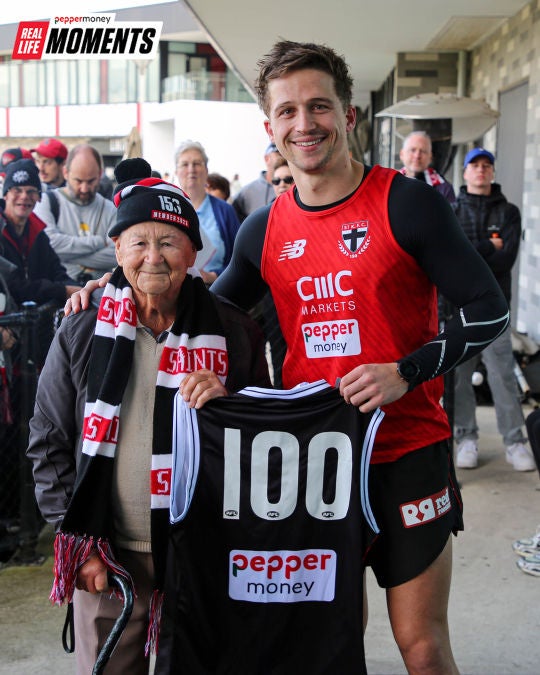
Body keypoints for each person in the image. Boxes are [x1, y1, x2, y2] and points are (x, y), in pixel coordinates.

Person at [69, 41, 510, 673]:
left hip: (405, 452)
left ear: (349, 115)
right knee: (327, 642)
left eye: (319, 106)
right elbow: (196, 309)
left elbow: (488, 308)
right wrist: (110, 287)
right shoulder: (263, 229)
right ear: (270, 127)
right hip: (311, 463)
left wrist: (406, 371)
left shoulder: (405, 203)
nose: (305, 124)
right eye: (288, 111)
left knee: (423, 646)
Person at [27, 158, 271, 674]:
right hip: (106, 558)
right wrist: (79, 542)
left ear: (193, 251)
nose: (153, 257)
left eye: (169, 242)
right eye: (139, 242)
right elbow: (47, 441)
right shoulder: (82, 330)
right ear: (116, 251)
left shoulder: (236, 333)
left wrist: (229, 402)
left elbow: (268, 447)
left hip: (203, 555)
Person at [452, 148, 534, 471]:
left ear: (493, 172)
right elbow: (452, 260)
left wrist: (471, 252)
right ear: (465, 173)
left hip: (495, 308)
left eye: (487, 165)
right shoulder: (452, 211)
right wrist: (488, 246)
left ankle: (515, 442)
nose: (481, 171)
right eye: (475, 165)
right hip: (459, 308)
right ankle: (466, 437)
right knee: (458, 379)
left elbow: (506, 260)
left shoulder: (509, 212)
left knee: (502, 376)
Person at [0, 159, 81, 307]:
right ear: (5, 195)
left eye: (31, 191)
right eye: (17, 190)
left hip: (36, 323)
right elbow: (12, 286)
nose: (24, 196)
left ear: (38, 197)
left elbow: (57, 272)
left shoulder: (38, 233)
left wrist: (81, 291)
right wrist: (62, 291)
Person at [33, 144, 117, 283]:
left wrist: (64, 256)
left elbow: (117, 254)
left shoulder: (110, 209)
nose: (84, 189)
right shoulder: (45, 202)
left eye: (91, 181)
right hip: (59, 292)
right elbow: (49, 244)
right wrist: (99, 242)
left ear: (100, 174)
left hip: (100, 294)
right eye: (78, 181)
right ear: (66, 173)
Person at [174, 140, 240, 284]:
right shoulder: (168, 209)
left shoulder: (225, 211)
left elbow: (239, 260)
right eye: (185, 164)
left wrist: (213, 276)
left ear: (206, 170)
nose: (191, 169)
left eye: (197, 163)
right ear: (176, 172)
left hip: (215, 290)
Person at [399, 130, 456, 203]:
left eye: (423, 151)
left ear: (430, 157)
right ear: (402, 154)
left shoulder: (444, 189)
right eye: (413, 150)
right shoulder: (390, 183)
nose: (417, 156)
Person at [231, 142, 281, 222]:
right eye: (279, 153)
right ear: (267, 158)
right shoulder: (246, 192)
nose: (284, 157)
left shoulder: (298, 188)